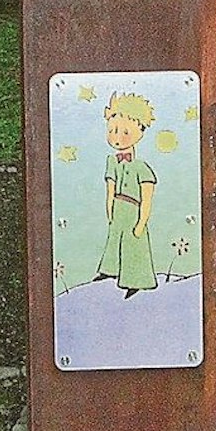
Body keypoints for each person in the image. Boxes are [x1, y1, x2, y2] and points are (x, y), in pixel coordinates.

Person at [95, 91, 158, 296]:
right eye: (112, 131)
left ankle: (136, 280)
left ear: (140, 131)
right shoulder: (112, 161)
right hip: (118, 207)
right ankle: (109, 270)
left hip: (133, 209)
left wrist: (141, 222)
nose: (117, 137)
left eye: (125, 132)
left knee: (134, 243)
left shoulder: (142, 168)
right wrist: (109, 209)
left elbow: (147, 198)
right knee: (114, 239)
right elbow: (110, 187)